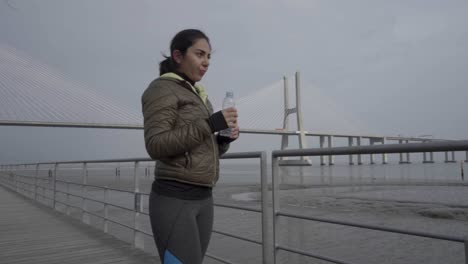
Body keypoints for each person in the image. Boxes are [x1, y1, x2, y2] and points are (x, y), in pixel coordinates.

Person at [141, 29, 239, 264]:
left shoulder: (200, 97)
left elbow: (202, 147)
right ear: (178, 55)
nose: (206, 62)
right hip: (175, 198)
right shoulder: (161, 89)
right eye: (199, 54)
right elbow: (156, 145)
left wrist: (222, 140)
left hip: (204, 197)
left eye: (208, 57)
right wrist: (212, 123)